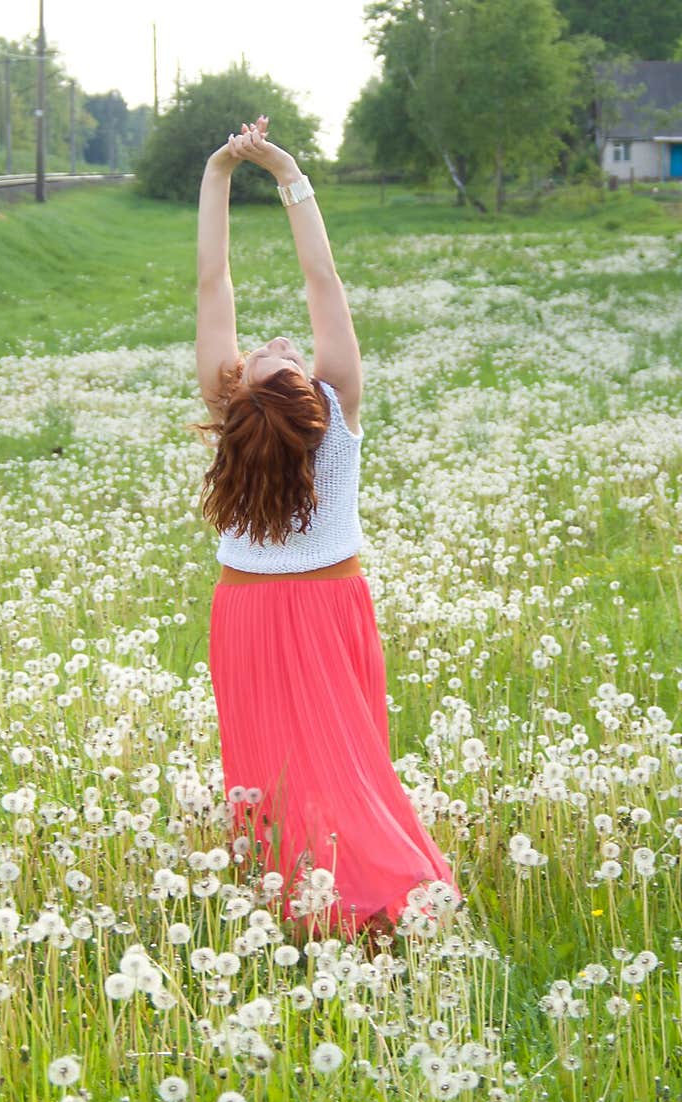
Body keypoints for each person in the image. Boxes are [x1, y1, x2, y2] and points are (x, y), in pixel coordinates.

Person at [196, 116, 464, 939]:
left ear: (245, 396)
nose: (280, 341)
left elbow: (214, 288)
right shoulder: (334, 411)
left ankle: (296, 895)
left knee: (272, 765)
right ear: (307, 398)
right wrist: (289, 175)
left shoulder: (230, 408)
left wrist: (217, 174)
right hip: (327, 604)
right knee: (346, 760)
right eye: (284, 355)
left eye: (273, 354)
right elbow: (325, 282)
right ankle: (367, 898)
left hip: (245, 612)